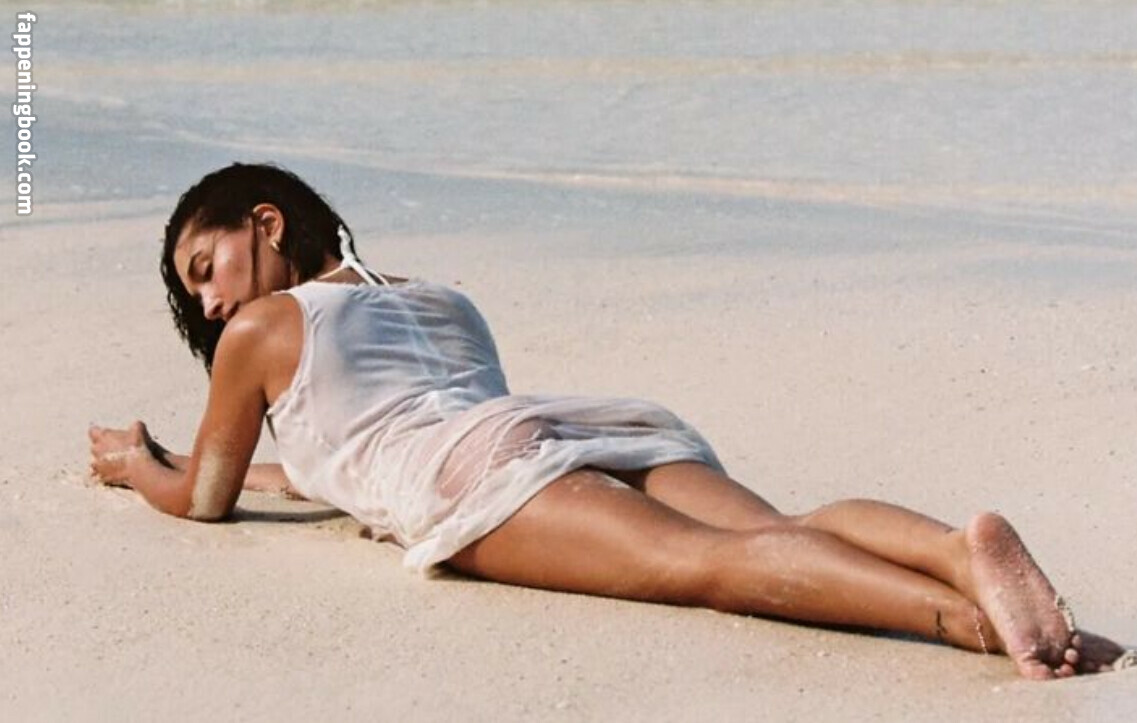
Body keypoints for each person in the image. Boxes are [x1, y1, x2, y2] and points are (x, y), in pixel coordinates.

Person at [88, 163, 1130, 680]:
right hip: (581, 422)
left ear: (266, 223)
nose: (210, 303)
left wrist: (140, 466)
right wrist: (264, 474)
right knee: (778, 526)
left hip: (473, 473)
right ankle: (954, 551)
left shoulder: (261, 330)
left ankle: (975, 626)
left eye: (206, 268)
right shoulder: (439, 297)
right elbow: (353, 454)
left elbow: (207, 496)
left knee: (708, 567)